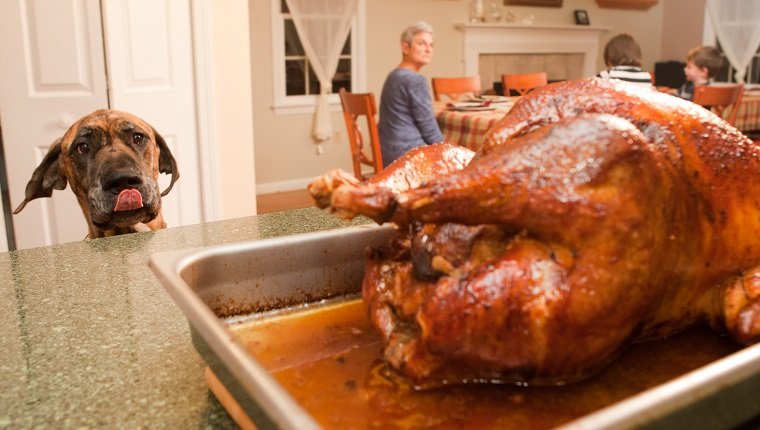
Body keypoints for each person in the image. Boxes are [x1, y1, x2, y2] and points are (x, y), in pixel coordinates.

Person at [377, 21, 443, 167]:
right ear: (405, 47)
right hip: (407, 155)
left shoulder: (394, 75)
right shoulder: (415, 79)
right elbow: (428, 128)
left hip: (387, 150)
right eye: (421, 43)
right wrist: (446, 150)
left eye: (431, 45)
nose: (428, 49)